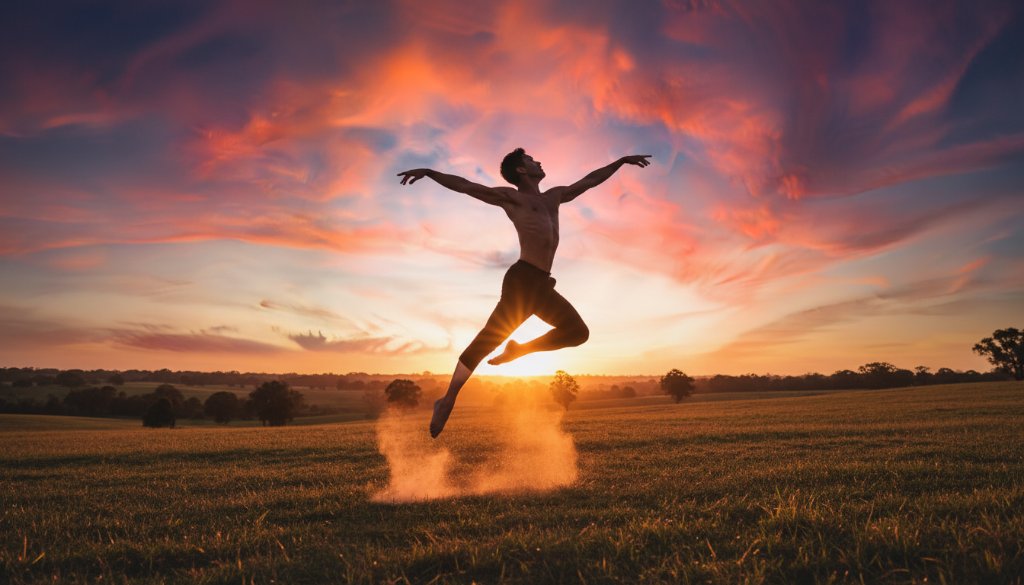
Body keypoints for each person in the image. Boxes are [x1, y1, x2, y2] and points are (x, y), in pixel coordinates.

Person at [397, 149, 651, 437]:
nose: (538, 161)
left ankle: (519, 350)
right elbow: (467, 186)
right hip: (522, 280)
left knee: (578, 333)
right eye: (531, 160)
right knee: (488, 339)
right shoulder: (512, 198)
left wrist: (620, 162)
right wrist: (430, 173)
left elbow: (590, 180)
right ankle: (448, 399)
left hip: (542, 284)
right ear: (521, 170)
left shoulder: (554, 196)